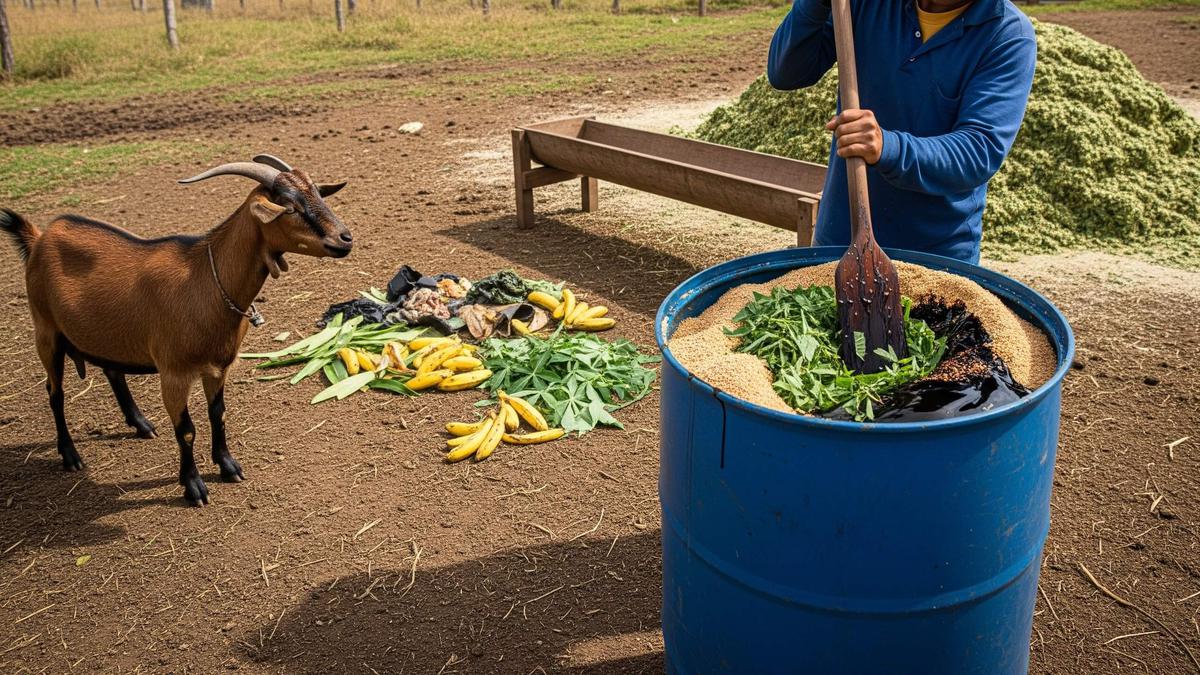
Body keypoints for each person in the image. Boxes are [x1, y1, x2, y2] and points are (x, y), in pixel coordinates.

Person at [768, 0, 1036, 264]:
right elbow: (787, 73)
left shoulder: (1006, 35)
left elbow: (978, 152)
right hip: (842, 238)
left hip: (934, 257)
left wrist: (888, 147)